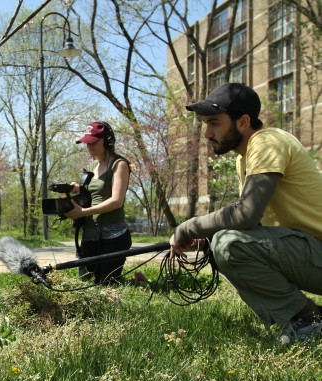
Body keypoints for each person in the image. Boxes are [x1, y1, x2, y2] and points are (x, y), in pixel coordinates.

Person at [169, 82, 322, 343]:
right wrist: (206, 239)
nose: (207, 134)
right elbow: (253, 223)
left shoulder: (267, 142)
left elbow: (246, 214)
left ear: (243, 122)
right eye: (205, 124)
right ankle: (303, 317)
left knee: (229, 244)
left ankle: (307, 320)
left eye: (214, 123)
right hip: (309, 251)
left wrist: (187, 227)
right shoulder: (245, 157)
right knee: (222, 241)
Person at [64, 121, 132, 284]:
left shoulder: (119, 164)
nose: (89, 146)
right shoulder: (91, 166)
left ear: (108, 141)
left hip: (113, 236)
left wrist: (83, 212)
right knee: (85, 282)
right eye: (87, 142)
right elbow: (93, 194)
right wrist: (79, 190)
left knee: (106, 282)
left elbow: (116, 201)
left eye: (94, 142)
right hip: (90, 233)